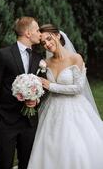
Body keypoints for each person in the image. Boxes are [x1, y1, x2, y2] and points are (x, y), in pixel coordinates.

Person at [27, 24, 103, 169]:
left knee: (75, 147)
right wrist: (34, 94)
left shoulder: (75, 58)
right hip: (52, 109)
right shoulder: (45, 63)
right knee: (50, 147)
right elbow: (41, 86)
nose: (47, 45)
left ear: (58, 36)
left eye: (49, 39)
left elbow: (78, 88)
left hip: (74, 109)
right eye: (43, 43)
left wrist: (51, 85)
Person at [0, 16, 46, 169]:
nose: (40, 34)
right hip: (5, 121)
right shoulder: (3, 55)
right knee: (4, 164)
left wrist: (37, 100)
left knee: (27, 164)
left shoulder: (40, 59)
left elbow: (43, 86)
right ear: (28, 33)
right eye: (38, 30)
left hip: (29, 122)